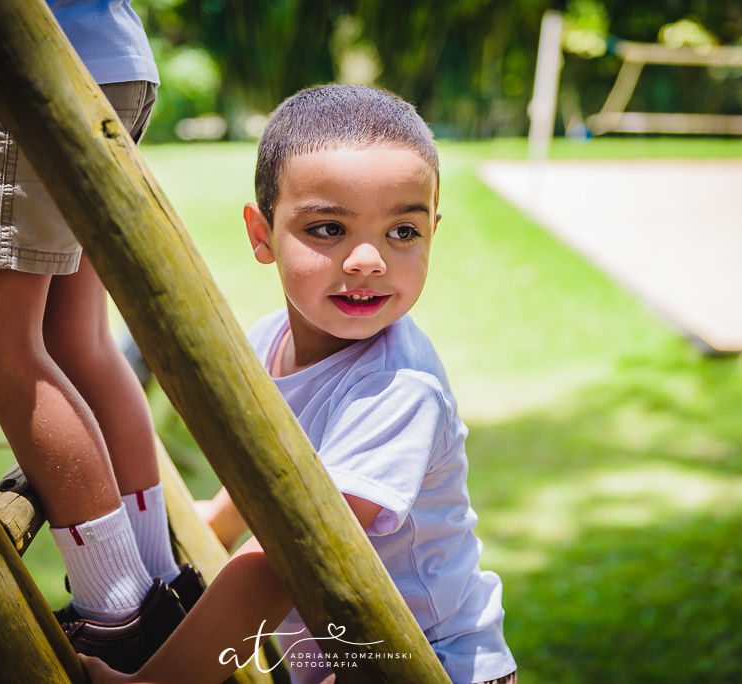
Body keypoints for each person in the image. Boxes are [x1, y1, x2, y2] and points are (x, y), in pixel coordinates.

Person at [82, 84, 516, 684]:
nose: (368, 260)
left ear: (432, 233)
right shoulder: (267, 342)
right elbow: (278, 473)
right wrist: (217, 525)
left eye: (403, 232)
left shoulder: (398, 390)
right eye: (329, 228)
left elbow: (290, 558)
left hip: (433, 664)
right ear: (262, 234)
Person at [0, 0, 202, 673]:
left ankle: (118, 615)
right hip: (113, 61)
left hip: (9, 72)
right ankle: (163, 585)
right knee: (79, 341)